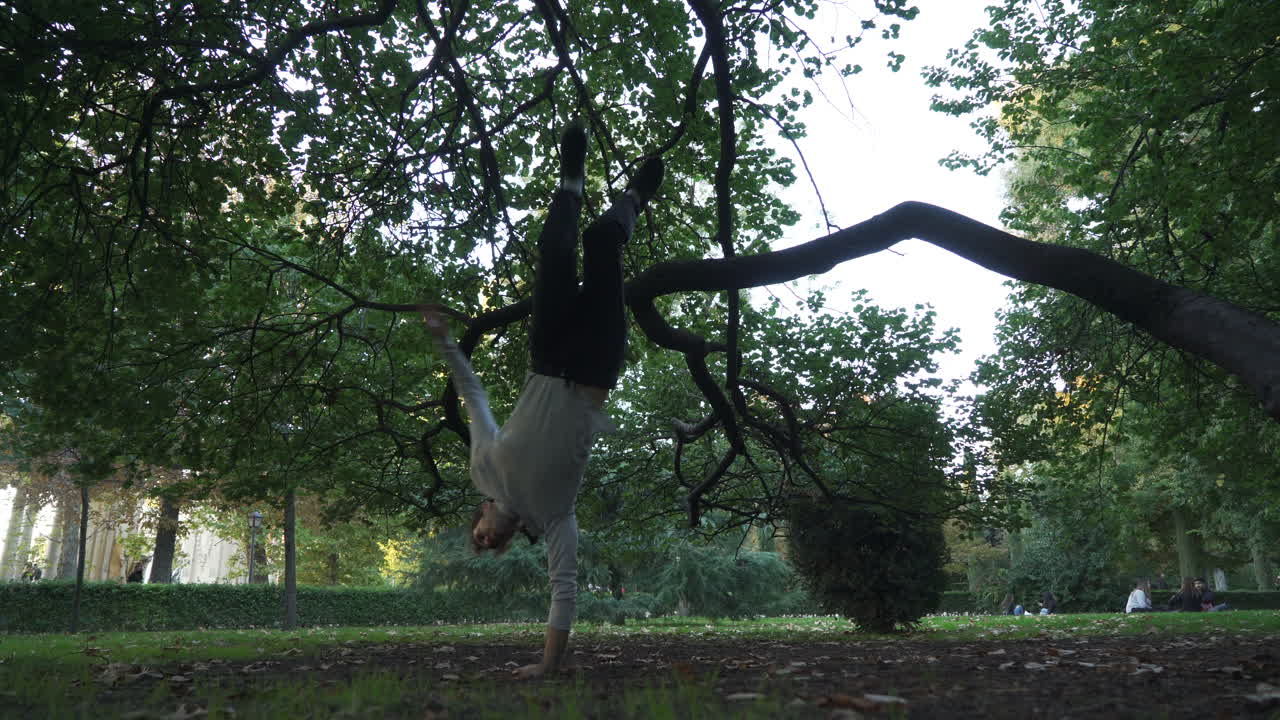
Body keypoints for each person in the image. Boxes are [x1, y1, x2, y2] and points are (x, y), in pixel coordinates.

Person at [421, 121, 663, 680]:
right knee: (603, 242)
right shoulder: (556, 517)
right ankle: (633, 198)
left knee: (553, 250)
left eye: (476, 536)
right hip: (594, 367)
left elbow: (473, 392)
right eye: (491, 546)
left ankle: (571, 181)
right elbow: (565, 591)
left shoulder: (483, 468)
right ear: (508, 540)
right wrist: (547, 667)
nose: (485, 539)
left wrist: (443, 340)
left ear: (479, 516)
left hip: (548, 349)